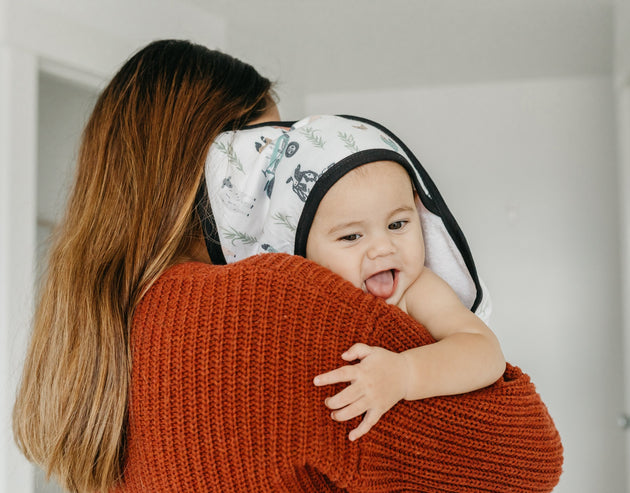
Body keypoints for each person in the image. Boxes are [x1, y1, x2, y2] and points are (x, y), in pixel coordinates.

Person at [13, 39, 563, 492]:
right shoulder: (279, 303)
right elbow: (532, 457)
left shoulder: (90, 348)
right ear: (219, 167)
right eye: (270, 153)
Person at [201, 113, 506, 441]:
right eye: (351, 236)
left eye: (397, 224)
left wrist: (405, 373)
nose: (383, 248)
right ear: (299, 252)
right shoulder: (293, 306)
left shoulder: (418, 290)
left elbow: (485, 352)